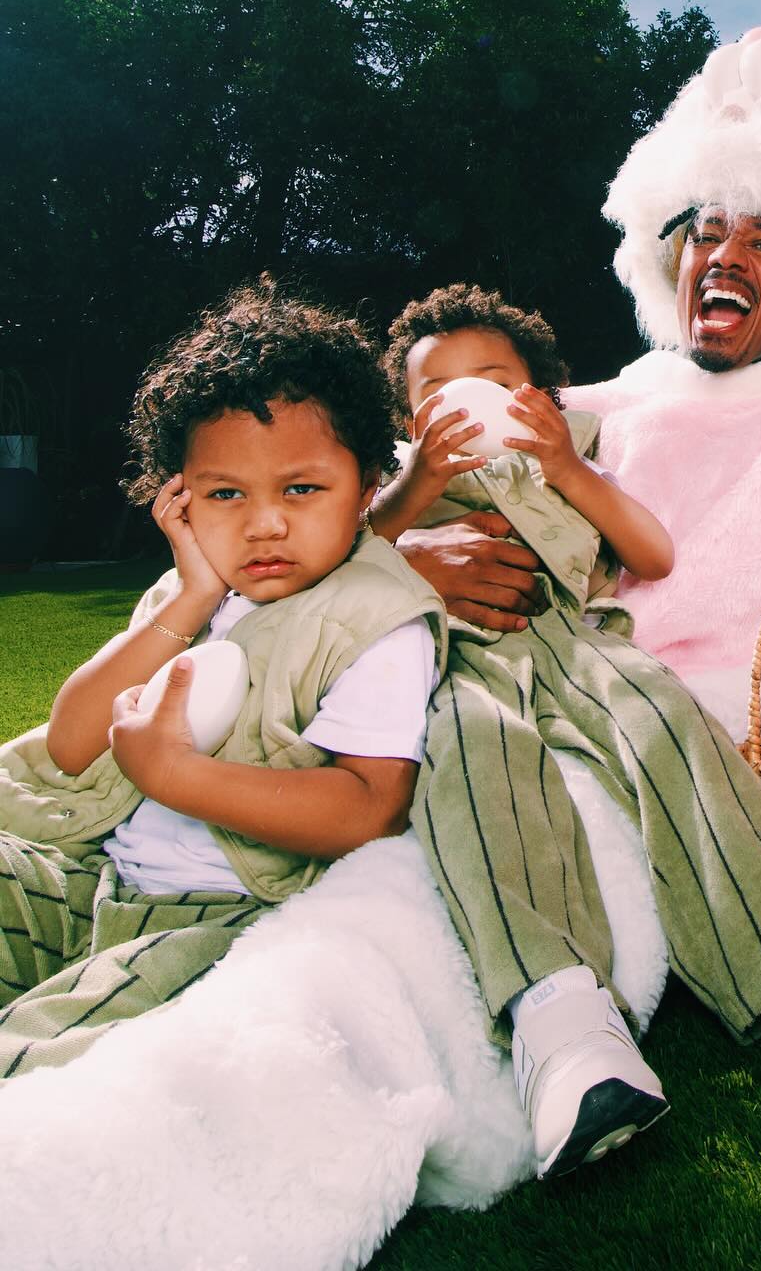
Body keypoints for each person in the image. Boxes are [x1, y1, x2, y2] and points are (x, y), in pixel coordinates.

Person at [372, 284, 761, 1180]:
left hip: (582, 643)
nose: (467, 404)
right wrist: (415, 488)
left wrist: (569, 470)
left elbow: (650, 555)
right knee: (473, 756)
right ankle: (562, 1024)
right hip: (454, 661)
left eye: (495, 382)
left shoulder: (570, 457)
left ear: (543, 397)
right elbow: (338, 562)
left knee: (668, 720)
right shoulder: (391, 487)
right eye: (438, 393)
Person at [391, 28, 761, 743]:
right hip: (563, 723)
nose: (725, 259)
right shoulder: (583, 410)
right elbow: (359, 494)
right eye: (706, 237)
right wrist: (402, 563)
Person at [0, 283, 446, 1077]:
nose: (264, 522)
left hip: (211, 918)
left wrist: (176, 775)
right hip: (96, 875)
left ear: (369, 485)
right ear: (179, 498)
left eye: (301, 490)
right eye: (225, 494)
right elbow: (71, 743)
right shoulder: (190, 593)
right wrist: (195, 598)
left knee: (40, 1056)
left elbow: (368, 808)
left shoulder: (376, 620)